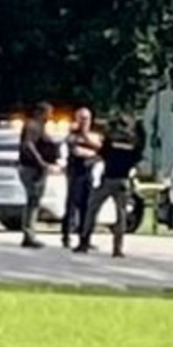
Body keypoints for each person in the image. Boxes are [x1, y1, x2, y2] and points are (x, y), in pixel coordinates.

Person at [86, 115, 147, 258]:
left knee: (92, 209)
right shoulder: (134, 142)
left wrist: (89, 162)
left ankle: (84, 241)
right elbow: (138, 158)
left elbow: (102, 154)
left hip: (108, 179)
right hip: (123, 180)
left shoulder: (111, 139)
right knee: (121, 215)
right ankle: (117, 248)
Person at [17, 102, 59, 248]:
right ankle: (28, 234)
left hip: (38, 169)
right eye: (49, 113)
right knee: (32, 200)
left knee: (34, 201)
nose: (51, 116)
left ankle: (29, 233)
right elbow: (28, 145)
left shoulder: (41, 127)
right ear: (40, 113)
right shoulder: (32, 126)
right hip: (30, 169)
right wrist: (41, 162)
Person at [61, 107, 99, 249]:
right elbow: (78, 152)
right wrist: (93, 153)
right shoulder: (71, 136)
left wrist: (87, 140)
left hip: (88, 174)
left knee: (86, 207)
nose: (84, 121)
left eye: (87, 118)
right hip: (75, 174)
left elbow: (100, 150)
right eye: (81, 118)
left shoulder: (93, 135)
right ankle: (66, 235)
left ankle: (85, 238)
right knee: (71, 205)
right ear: (76, 119)